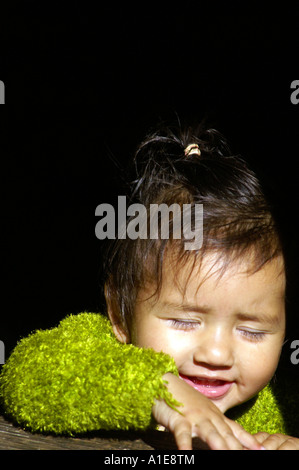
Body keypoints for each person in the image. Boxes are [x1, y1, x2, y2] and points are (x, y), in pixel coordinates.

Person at [0, 124, 298, 450]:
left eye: (252, 331)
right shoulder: (94, 347)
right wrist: (154, 390)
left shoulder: (276, 404)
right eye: (185, 321)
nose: (217, 354)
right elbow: (27, 375)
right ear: (118, 313)